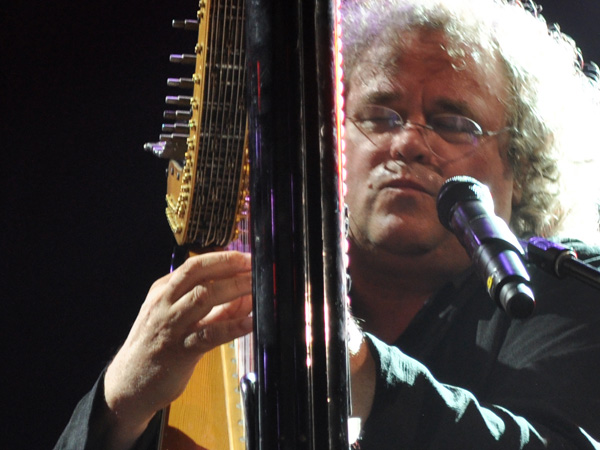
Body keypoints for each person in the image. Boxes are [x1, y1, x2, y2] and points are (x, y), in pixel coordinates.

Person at [55, 0, 600, 448]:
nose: (408, 141)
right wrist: (119, 404)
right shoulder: (248, 309)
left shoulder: (567, 289)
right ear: (330, 147)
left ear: (521, 167)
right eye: (379, 115)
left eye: (453, 122)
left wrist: (355, 365)